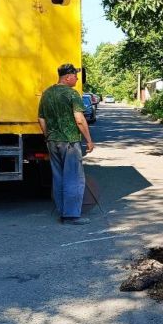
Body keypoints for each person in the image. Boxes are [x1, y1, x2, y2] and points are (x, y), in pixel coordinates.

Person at [38, 63, 94, 225]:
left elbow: (41, 118)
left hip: (53, 141)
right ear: (67, 77)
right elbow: (79, 119)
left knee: (58, 177)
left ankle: (62, 211)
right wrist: (89, 140)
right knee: (74, 178)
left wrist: (48, 136)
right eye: (75, 76)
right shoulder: (72, 94)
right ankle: (71, 216)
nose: (77, 79)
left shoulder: (47, 93)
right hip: (69, 142)